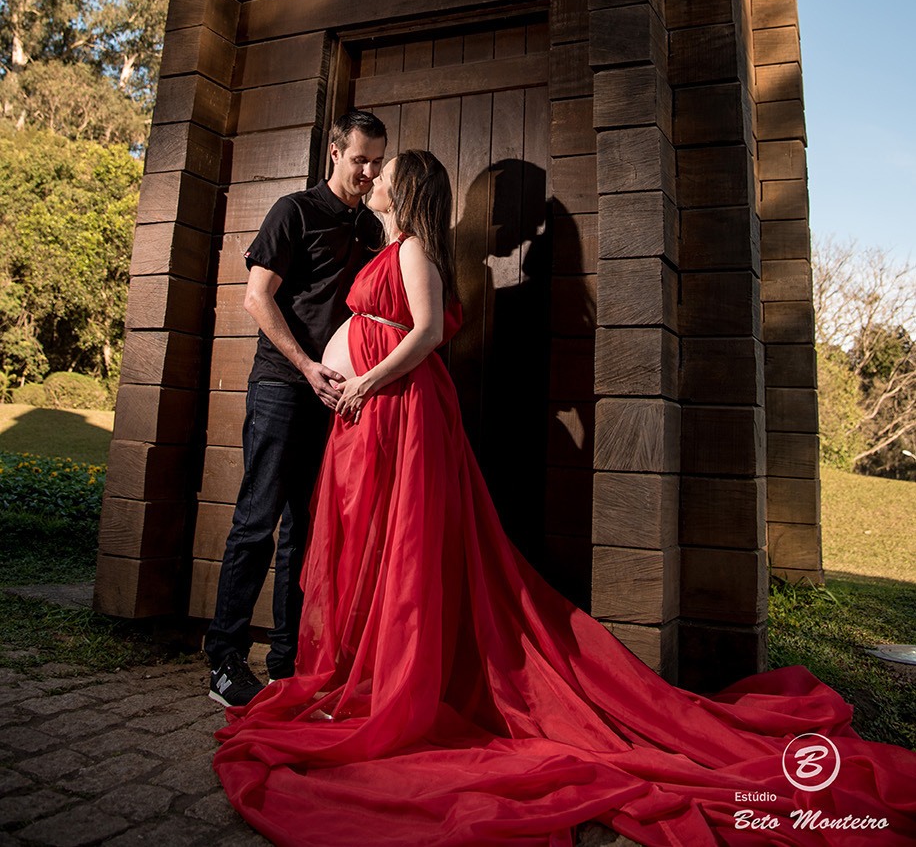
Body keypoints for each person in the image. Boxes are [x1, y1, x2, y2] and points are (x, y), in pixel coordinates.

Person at [213, 151, 916, 846]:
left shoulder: (415, 252)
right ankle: (353, 676)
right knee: (370, 544)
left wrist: (365, 381)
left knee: (402, 554)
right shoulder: (388, 244)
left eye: (387, 171)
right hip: (375, 418)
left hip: (396, 410)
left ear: (407, 187)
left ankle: (385, 691)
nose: (378, 178)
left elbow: (427, 333)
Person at [204, 109, 387, 707]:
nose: (367, 172)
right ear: (334, 152)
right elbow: (258, 298)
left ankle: (287, 663)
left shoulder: (374, 231)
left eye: (376, 163)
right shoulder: (294, 211)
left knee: (307, 534)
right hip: (285, 385)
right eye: (359, 159)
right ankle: (224, 661)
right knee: (258, 521)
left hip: (334, 398)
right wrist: (307, 367)